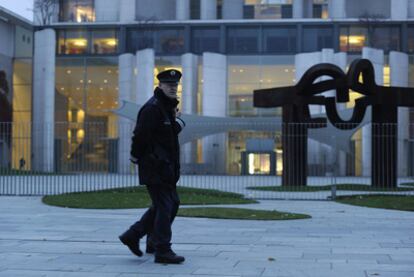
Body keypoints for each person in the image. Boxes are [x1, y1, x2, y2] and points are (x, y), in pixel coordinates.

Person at [119, 69, 186, 264]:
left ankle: (137, 236)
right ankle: (162, 249)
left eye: (175, 85)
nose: (173, 88)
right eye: (168, 84)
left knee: (167, 204)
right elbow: (140, 135)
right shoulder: (152, 108)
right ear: (160, 86)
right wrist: (135, 156)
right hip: (155, 166)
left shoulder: (166, 108)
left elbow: (167, 135)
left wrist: (178, 120)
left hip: (166, 167)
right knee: (166, 206)